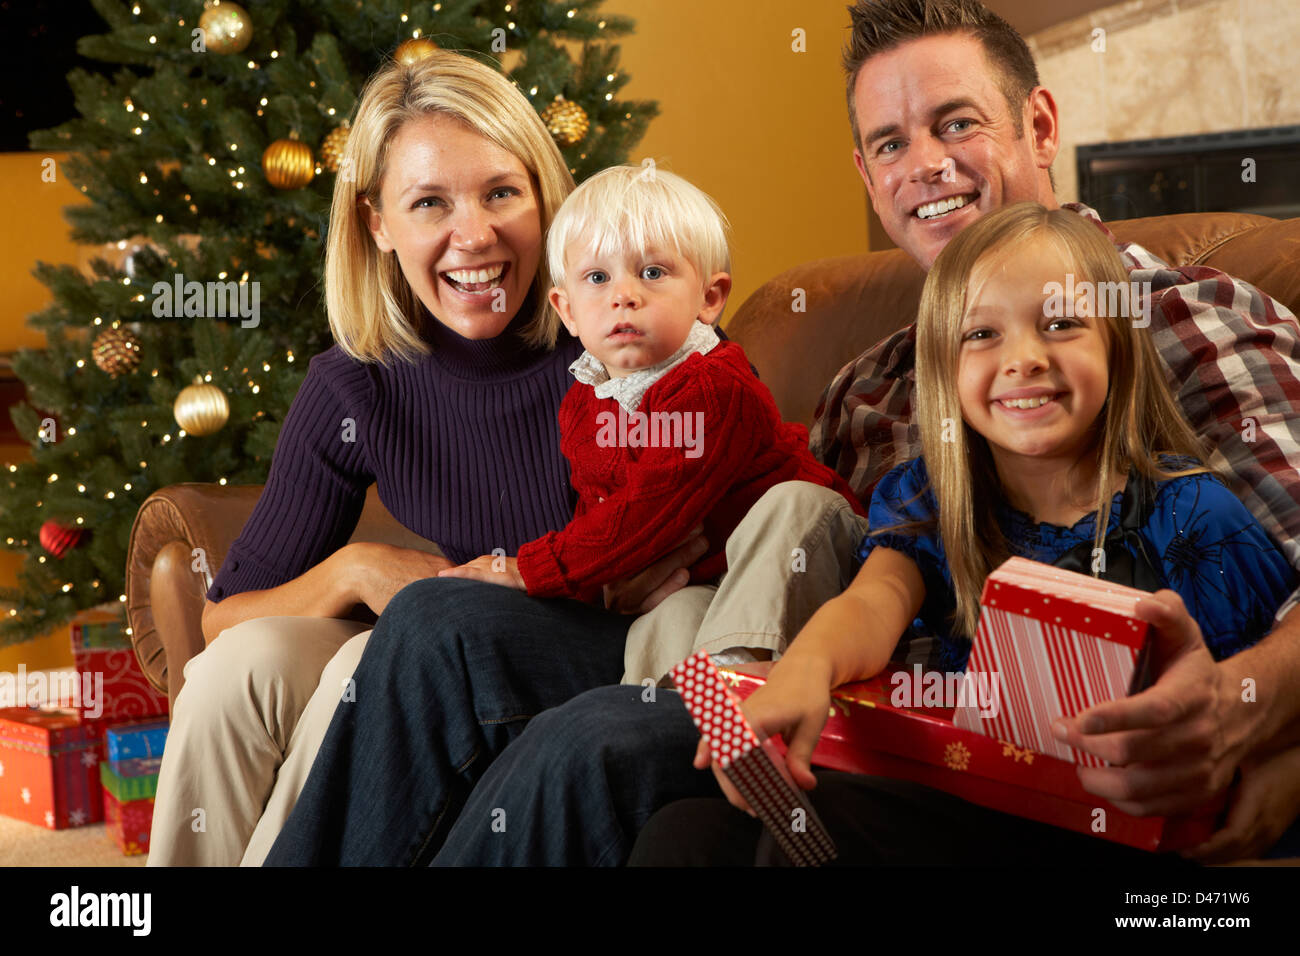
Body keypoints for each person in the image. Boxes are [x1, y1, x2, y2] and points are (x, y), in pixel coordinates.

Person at [428, 0, 1300, 867]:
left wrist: (1249, 715)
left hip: (1018, 783)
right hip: (833, 723)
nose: (923, 164)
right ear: (866, 171)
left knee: (599, 739)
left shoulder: (1178, 316)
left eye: (955, 123)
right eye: (890, 143)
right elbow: (855, 581)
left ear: (1037, 126)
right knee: (446, 625)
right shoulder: (867, 386)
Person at [148, 50, 700, 866]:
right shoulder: (358, 385)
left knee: (366, 666)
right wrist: (360, 569)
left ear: (545, 197)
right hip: (447, 632)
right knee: (236, 670)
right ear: (378, 224)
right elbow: (222, 615)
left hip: (582, 650)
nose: (472, 235)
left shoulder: (625, 331)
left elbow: (690, 545)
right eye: (429, 202)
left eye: (501, 193)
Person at [629, 201, 1297, 864]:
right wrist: (807, 667)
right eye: (981, 335)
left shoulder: (1191, 511)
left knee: (837, 819)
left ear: (1118, 347)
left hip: (1115, 818)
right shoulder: (931, 501)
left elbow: (1256, 686)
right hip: (971, 795)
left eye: (1061, 323)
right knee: (682, 835)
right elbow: (872, 602)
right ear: (943, 369)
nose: (1024, 359)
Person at [440, 165, 863, 684]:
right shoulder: (583, 404)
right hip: (711, 587)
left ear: (710, 298)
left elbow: (650, 510)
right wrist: (595, 590)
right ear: (567, 310)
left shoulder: (712, 387)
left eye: (653, 273)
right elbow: (597, 509)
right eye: (598, 278)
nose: (624, 295)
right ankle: (669, 728)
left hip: (818, 562)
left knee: (795, 504)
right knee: (671, 617)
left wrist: (531, 568)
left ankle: (741, 689)